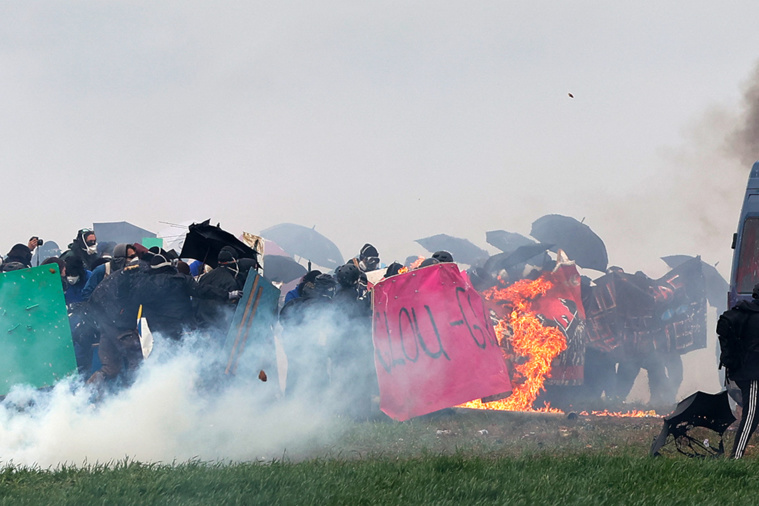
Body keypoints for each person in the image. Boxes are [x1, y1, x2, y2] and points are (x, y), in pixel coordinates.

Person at [717, 283, 759, 459]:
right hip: (753, 375)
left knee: (753, 415)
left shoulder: (746, 313)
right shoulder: (754, 317)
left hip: (746, 372)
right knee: (751, 415)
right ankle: (735, 458)